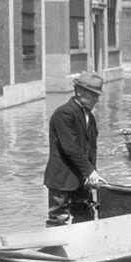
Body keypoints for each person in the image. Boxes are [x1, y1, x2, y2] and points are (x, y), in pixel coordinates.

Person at [43, 71, 106, 226]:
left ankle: (83, 248)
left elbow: (91, 149)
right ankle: (55, 250)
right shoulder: (63, 113)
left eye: (97, 95)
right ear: (79, 92)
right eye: (93, 95)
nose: (96, 100)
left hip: (82, 178)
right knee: (58, 219)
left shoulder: (89, 117)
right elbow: (70, 148)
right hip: (62, 179)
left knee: (86, 216)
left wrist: (92, 173)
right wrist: (90, 171)